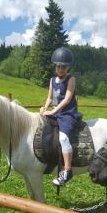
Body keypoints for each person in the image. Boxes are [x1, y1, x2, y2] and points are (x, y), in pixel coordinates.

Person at [40, 47, 82, 186]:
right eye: (58, 66)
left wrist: (53, 112)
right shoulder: (52, 80)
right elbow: (49, 97)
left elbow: (67, 99)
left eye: (63, 67)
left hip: (67, 114)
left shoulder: (71, 79)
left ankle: (67, 171)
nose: (61, 69)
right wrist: (45, 108)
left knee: (63, 138)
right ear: (55, 67)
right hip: (55, 112)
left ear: (67, 68)